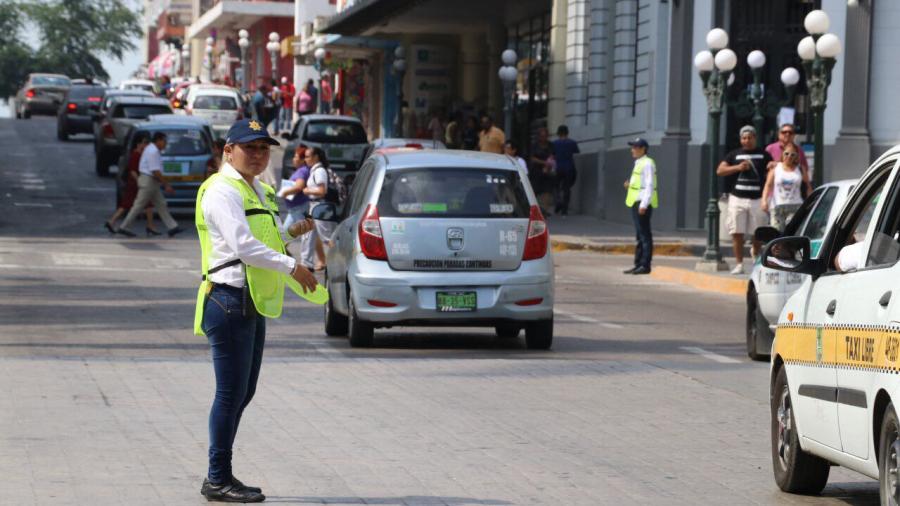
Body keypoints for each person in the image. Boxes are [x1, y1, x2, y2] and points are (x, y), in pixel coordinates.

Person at [194, 119, 319, 502]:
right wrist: (291, 266)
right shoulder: (222, 191)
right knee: (230, 394)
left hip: (249, 301)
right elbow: (243, 246)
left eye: (264, 148)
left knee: (243, 393)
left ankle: (222, 474)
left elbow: (266, 237)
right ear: (227, 151)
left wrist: (292, 233)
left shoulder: (255, 190)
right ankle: (217, 477)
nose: (259, 155)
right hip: (228, 300)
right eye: (250, 148)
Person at [717, 125, 772, 274]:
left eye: (749, 137)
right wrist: (737, 168)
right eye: (743, 138)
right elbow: (720, 170)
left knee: (758, 232)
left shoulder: (763, 154)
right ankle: (739, 264)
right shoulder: (734, 155)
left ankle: (755, 252)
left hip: (757, 199)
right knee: (737, 231)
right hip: (737, 198)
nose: (746, 140)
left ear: (755, 138)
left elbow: (771, 168)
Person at [115, 132, 183, 237]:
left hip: (152, 182)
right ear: (158, 140)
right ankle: (123, 227)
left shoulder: (153, 150)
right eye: (164, 142)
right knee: (138, 205)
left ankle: (173, 227)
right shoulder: (152, 151)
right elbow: (155, 171)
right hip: (148, 181)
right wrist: (166, 184)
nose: (165, 144)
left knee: (161, 204)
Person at [104, 132, 158, 236]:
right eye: (144, 143)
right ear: (138, 144)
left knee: (137, 204)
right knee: (138, 204)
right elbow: (132, 171)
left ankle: (111, 222)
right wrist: (139, 182)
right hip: (135, 184)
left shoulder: (140, 154)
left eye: (147, 143)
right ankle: (149, 226)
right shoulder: (136, 155)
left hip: (136, 183)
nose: (146, 145)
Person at [622, 138, 657, 275]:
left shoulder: (647, 163)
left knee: (644, 235)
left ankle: (645, 264)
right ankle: (638, 264)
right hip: (636, 201)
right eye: (632, 147)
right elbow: (640, 183)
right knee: (639, 235)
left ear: (643, 149)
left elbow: (649, 185)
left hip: (642, 202)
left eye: (635, 147)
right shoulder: (639, 163)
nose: (632, 150)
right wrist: (629, 185)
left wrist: (643, 204)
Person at [299, 147, 337, 271]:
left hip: (320, 207)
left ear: (316, 157)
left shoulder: (319, 171)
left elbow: (322, 191)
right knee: (308, 235)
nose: (305, 160)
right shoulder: (314, 170)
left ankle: (340, 261)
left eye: (308, 156)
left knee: (327, 237)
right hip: (314, 206)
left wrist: (306, 190)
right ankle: (306, 263)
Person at [761, 144, 808, 231]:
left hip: (796, 206)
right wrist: (764, 200)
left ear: (796, 156)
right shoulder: (776, 168)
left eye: (792, 154)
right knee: (777, 234)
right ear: (782, 154)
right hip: (777, 206)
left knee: (793, 233)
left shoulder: (800, 169)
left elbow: (807, 186)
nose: (789, 156)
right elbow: (768, 185)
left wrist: (810, 202)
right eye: (786, 153)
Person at [279, 145, 312, 266]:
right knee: (285, 235)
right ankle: (282, 253)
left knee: (305, 234)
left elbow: (299, 186)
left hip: (298, 208)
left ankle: (307, 262)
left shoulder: (302, 171)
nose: (293, 159)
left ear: (302, 159)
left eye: (296, 156)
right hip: (295, 209)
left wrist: (284, 192)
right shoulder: (302, 170)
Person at [552, 125, 580, 216]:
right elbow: (576, 152)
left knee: (556, 187)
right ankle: (565, 208)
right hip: (569, 167)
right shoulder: (572, 143)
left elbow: (552, 155)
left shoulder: (555, 143)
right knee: (566, 188)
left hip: (558, 167)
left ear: (558, 133)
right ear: (567, 133)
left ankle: (558, 202)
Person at [529, 127, 555, 215]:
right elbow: (532, 158)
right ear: (539, 137)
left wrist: (548, 165)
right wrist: (544, 163)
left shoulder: (551, 145)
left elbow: (553, 156)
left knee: (547, 191)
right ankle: (534, 209)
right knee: (535, 190)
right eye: (541, 136)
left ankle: (544, 210)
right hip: (536, 171)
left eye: (545, 136)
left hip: (547, 171)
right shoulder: (534, 145)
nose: (543, 138)